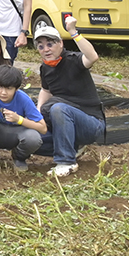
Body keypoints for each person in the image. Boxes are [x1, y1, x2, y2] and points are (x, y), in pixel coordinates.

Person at [33, 17, 105, 177]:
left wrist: (73, 31)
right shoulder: (45, 67)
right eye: (41, 46)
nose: (46, 49)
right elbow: (46, 90)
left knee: (58, 108)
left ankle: (66, 161)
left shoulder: (74, 60)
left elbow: (92, 57)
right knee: (30, 139)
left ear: (60, 44)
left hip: (91, 123)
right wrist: (37, 113)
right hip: (65, 121)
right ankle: (73, 148)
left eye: (50, 44)